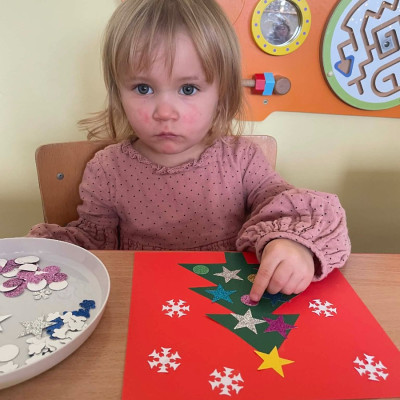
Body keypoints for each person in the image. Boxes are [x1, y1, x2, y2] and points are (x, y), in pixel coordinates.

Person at [28, 0, 351, 302]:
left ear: (221, 95)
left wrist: (292, 244)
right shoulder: (107, 169)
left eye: (188, 88)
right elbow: (94, 243)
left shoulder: (242, 160)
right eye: (143, 88)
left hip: (230, 302)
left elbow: (295, 211)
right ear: (118, 94)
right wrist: (40, 252)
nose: (165, 112)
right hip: (143, 301)